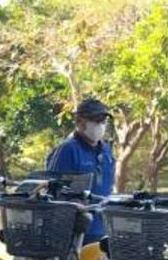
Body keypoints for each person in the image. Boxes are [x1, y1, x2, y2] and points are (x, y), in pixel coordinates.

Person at [46, 97, 116, 243]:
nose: (100, 125)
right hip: (76, 231)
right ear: (80, 121)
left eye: (103, 122)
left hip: (103, 229)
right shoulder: (67, 150)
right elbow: (54, 190)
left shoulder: (106, 150)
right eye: (96, 121)